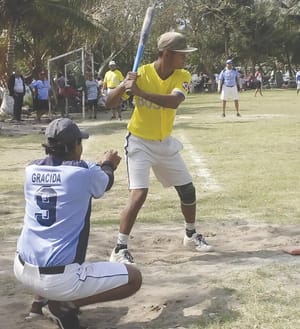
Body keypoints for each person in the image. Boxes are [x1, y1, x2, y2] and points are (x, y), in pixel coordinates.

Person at [13, 118, 142, 329]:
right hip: (58, 280)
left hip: (22, 269)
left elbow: (72, 172)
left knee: (48, 240)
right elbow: (104, 181)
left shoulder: (30, 170)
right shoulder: (83, 174)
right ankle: (63, 305)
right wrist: (108, 163)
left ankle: (37, 305)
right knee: (134, 278)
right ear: (74, 146)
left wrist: (98, 166)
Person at [106, 31, 214, 265]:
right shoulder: (140, 74)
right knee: (139, 194)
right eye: (181, 54)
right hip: (139, 141)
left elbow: (174, 101)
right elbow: (109, 103)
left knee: (187, 190)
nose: (185, 58)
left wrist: (140, 92)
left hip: (165, 142)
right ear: (166, 53)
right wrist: (124, 85)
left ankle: (190, 234)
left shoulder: (182, 74)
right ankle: (120, 247)